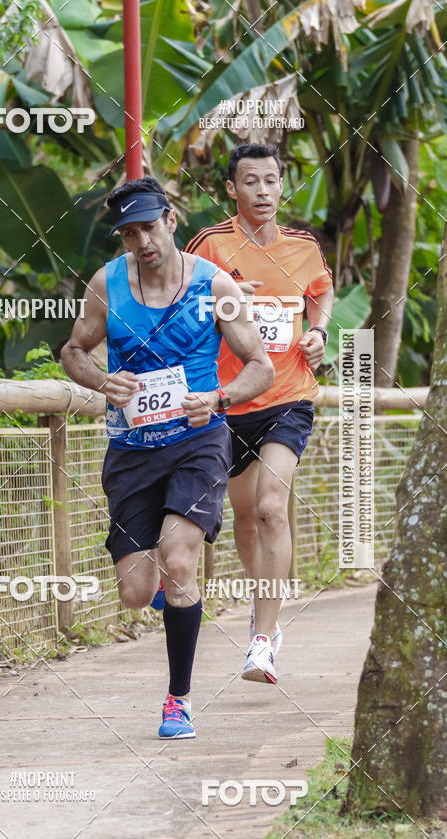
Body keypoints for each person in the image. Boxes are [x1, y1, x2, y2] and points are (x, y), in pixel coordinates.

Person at [61, 176, 274, 738]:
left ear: (171, 220)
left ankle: (178, 700)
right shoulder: (107, 284)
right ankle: (158, 587)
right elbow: (74, 351)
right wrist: (102, 380)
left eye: (149, 228)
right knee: (134, 593)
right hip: (131, 450)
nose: (142, 242)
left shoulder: (214, 285)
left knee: (180, 560)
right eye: (129, 233)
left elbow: (261, 366)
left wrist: (220, 398)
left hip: (197, 443)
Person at [186, 143, 334, 685]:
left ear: (281, 186)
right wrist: (219, 301)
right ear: (232, 189)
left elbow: (321, 291)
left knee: (273, 506)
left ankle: (263, 639)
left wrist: (318, 332)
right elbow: (176, 302)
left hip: (287, 396)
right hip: (227, 400)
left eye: (271, 180)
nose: (263, 191)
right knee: (245, 518)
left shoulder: (303, 246)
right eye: (251, 181)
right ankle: (261, 606)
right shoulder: (210, 245)